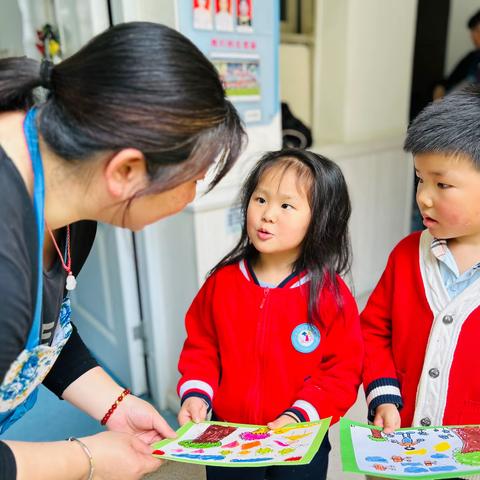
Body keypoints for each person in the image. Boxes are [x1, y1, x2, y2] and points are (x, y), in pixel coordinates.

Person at [0, 21, 244, 480]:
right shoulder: (6, 269)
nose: (191, 196)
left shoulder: (73, 209)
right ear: (127, 170)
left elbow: (47, 336)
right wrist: (87, 459)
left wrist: (116, 405)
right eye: (192, 179)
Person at [177, 149, 364, 480]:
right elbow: (202, 347)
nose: (267, 215)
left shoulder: (331, 296)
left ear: (321, 219)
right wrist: (196, 393)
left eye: (286, 205)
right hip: (229, 437)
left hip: (299, 438)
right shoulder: (222, 283)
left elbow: (342, 371)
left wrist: (300, 415)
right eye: (260, 199)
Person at [361, 87, 480, 480]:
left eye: (441, 185)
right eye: (419, 180)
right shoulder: (406, 255)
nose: (423, 198)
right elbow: (372, 331)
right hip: (397, 450)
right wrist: (383, 393)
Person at [433, 9, 480, 100]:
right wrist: (439, 91)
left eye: (477, 31)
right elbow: (447, 82)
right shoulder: (471, 57)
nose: (473, 36)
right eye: (472, 31)